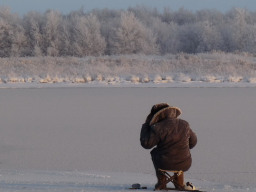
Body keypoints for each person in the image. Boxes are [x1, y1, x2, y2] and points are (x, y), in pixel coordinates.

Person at [140, 103, 197, 190]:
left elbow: (146, 144)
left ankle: (161, 183)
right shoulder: (185, 124)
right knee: (180, 154)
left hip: (163, 163)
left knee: (155, 152)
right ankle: (179, 183)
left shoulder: (157, 127)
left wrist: (146, 125)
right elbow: (193, 142)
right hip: (185, 163)